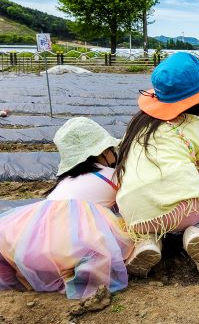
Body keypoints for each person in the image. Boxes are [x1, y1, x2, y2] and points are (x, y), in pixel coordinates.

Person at [115, 53, 199, 278]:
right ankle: (196, 234)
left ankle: (148, 242)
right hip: (183, 211)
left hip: (135, 213)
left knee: (150, 218)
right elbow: (197, 169)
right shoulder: (194, 126)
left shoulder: (136, 126)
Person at [0, 117, 133, 299]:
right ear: (101, 152)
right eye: (111, 149)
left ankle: (23, 274)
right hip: (73, 243)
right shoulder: (113, 175)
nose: (114, 153)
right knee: (115, 234)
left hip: (33, 240)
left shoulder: (65, 181)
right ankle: (82, 278)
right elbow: (129, 203)